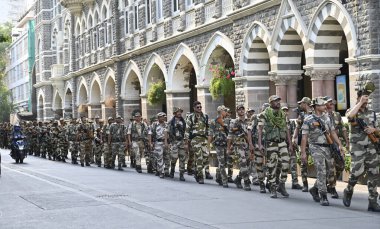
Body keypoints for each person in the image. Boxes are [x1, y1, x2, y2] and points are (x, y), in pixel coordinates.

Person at [301, 97, 344, 206]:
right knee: (321, 170)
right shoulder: (308, 119)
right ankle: (323, 195)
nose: (325, 106)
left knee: (330, 171)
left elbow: (332, 132)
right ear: (315, 106)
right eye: (322, 105)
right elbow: (304, 138)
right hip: (315, 147)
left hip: (327, 147)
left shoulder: (327, 118)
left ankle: (314, 189)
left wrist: (340, 145)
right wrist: (303, 153)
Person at [343, 87, 380, 212]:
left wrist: (374, 130)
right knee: (357, 172)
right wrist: (359, 103)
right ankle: (348, 190)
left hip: (371, 148)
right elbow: (349, 116)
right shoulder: (353, 111)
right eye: (363, 98)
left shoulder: (373, 113)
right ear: (358, 98)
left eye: (367, 98)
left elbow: (379, 130)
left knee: (374, 174)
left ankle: (373, 201)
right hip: (358, 147)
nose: (366, 100)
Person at [258, 95, 293, 198]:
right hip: (271, 143)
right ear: (271, 103)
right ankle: (273, 187)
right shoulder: (264, 114)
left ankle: (281, 184)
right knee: (271, 166)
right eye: (275, 101)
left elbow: (287, 129)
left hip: (282, 142)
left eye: (279, 101)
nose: (278, 102)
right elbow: (260, 130)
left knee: (286, 163)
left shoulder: (282, 114)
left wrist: (290, 144)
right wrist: (260, 144)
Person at [324, 96, 348, 199]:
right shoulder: (321, 116)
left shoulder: (337, 115)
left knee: (341, 165)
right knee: (331, 167)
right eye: (330, 103)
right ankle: (332, 188)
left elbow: (342, 129)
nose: (332, 105)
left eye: (332, 103)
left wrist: (346, 141)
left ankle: (327, 182)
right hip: (326, 145)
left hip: (336, 144)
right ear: (325, 104)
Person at [185, 101, 213, 184]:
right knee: (199, 158)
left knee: (206, 157)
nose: (199, 108)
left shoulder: (205, 116)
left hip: (204, 139)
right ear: (194, 108)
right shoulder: (190, 117)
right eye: (198, 107)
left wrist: (209, 141)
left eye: (200, 107)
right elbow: (187, 130)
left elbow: (208, 129)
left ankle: (197, 171)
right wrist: (186, 143)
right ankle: (200, 177)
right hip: (195, 139)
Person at [227, 105, 254, 191]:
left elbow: (251, 134)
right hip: (238, 145)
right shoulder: (233, 122)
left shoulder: (249, 121)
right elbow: (230, 136)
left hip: (247, 145)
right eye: (239, 109)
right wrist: (228, 148)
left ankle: (238, 179)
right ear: (237, 111)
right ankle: (246, 182)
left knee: (248, 164)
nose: (241, 111)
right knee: (242, 162)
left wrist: (251, 145)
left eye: (243, 109)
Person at [293, 97, 312, 192]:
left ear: (305, 103)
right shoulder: (301, 115)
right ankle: (305, 184)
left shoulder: (314, 113)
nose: (300, 105)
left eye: (301, 103)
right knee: (303, 163)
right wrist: (294, 138)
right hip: (305, 143)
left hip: (314, 142)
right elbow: (297, 127)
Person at [209, 105, 229, 188]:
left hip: (226, 144)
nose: (226, 112)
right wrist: (208, 146)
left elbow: (230, 133)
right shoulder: (214, 122)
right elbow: (210, 134)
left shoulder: (227, 121)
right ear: (221, 111)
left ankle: (218, 176)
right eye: (225, 111)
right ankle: (225, 180)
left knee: (224, 163)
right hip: (218, 145)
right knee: (221, 163)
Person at [168, 107, 187, 181]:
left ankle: (181, 174)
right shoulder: (171, 122)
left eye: (180, 112)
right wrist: (169, 142)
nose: (179, 113)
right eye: (178, 112)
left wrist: (186, 143)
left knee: (182, 158)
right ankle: (172, 170)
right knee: (174, 157)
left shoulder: (184, 122)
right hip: (174, 142)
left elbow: (186, 132)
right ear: (175, 113)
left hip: (182, 141)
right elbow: (168, 132)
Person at [151, 112, 168, 178]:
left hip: (166, 143)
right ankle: (161, 172)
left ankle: (166, 171)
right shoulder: (154, 124)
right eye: (161, 116)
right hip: (158, 143)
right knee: (159, 157)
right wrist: (151, 143)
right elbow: (150, 133)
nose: (163, 118)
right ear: (158, 118)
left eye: (164, 116)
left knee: (167, 157)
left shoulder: (167, 124)